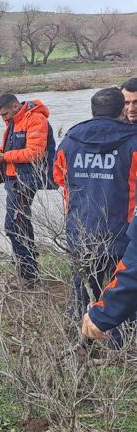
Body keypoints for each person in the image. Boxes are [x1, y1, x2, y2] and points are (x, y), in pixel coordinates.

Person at [54, 88, 137, 320]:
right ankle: (119, 349)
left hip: (81, 230)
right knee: (121, 296)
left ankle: (79, 344)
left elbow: (58, 177)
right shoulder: (133, 140)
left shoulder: (70, 139)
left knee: (82, 293)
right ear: (122, 109)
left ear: (92, 111)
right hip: (122, 234)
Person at [0, 94, 56, 286]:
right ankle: (27, 270)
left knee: (14, 226)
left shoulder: (35, 119)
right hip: (14, 179)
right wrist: (0, 154)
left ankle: (28, 275)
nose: (4, 119)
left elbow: (35, 153)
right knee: (21, 224)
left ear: (16, 106)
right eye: (1, 116)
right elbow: (13, 148)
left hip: (24, 181)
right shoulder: (15, 121)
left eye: (5, 114)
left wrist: (4, 157)